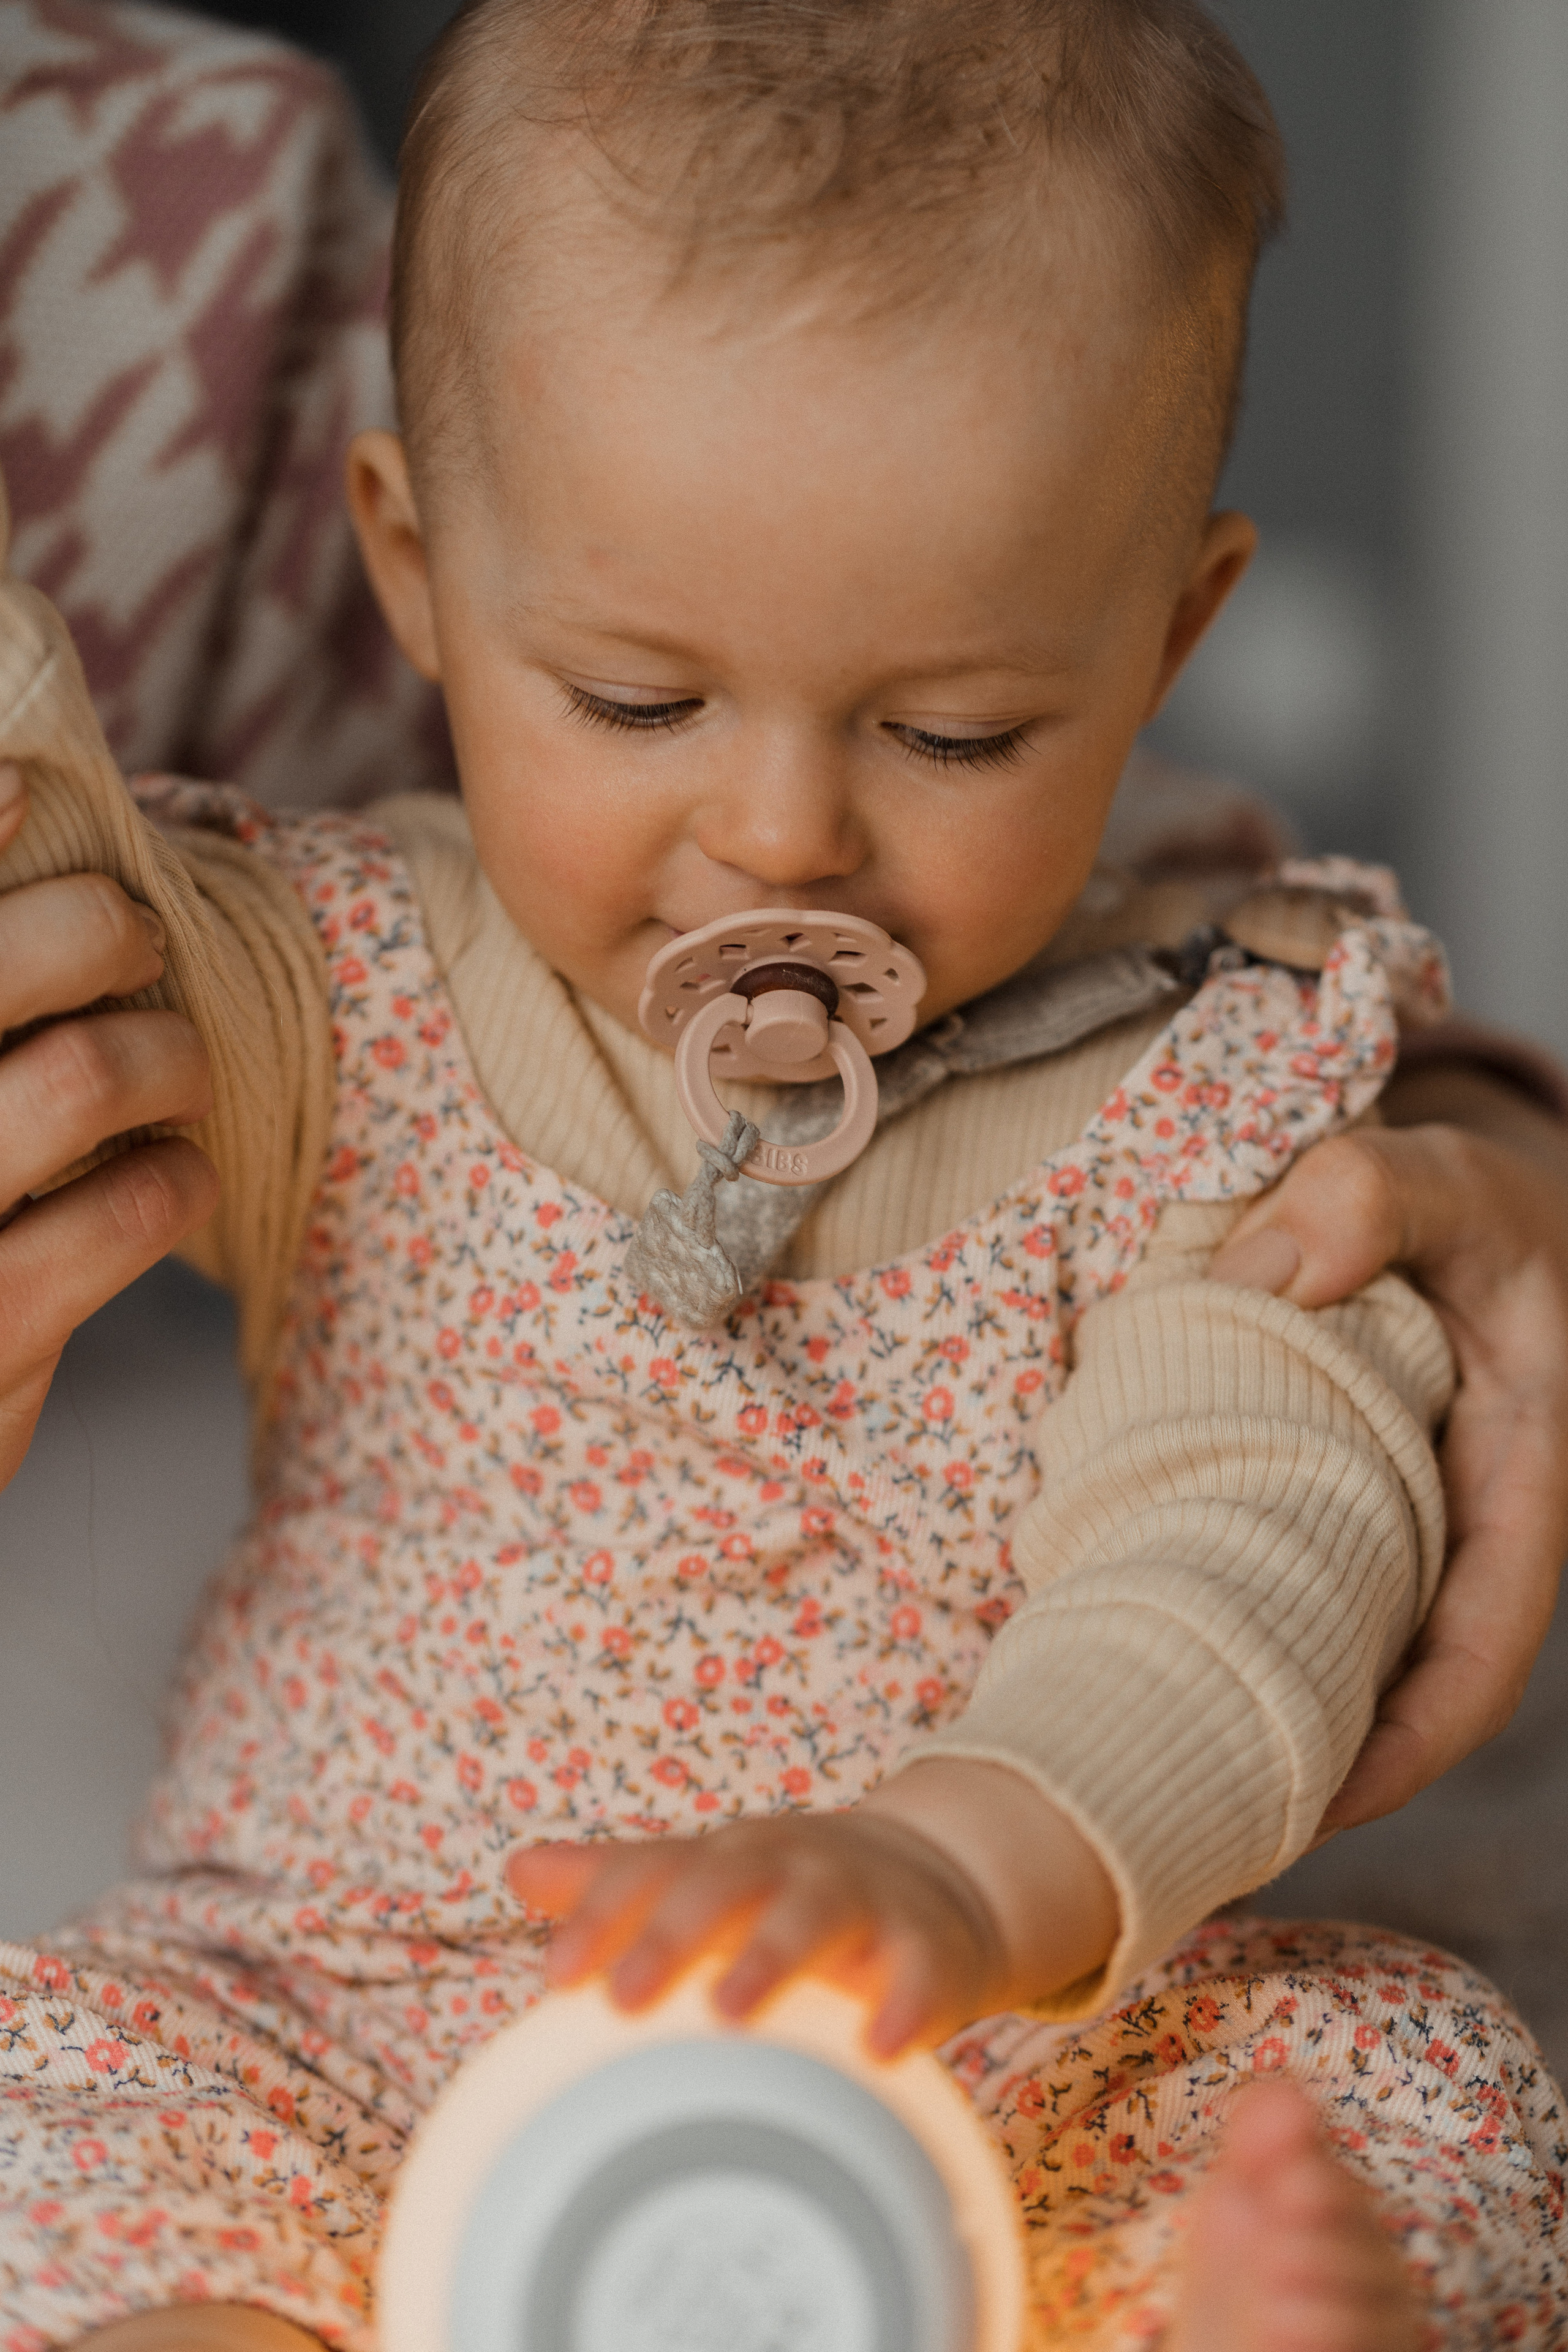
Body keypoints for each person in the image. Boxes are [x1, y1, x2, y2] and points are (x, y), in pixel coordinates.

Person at [0, 3, 1565, 2346]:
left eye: (953, 731)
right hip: (336, 2011)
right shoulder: (328, 968)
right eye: (637, 702)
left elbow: (1255, 1545)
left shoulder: (1223, 1092)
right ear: (417, 568)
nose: (783, 830)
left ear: (1166, 637)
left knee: (1418, 2076)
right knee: (68, 2095)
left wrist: (956, 1869)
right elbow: (61, 873)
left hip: (990, 2040)